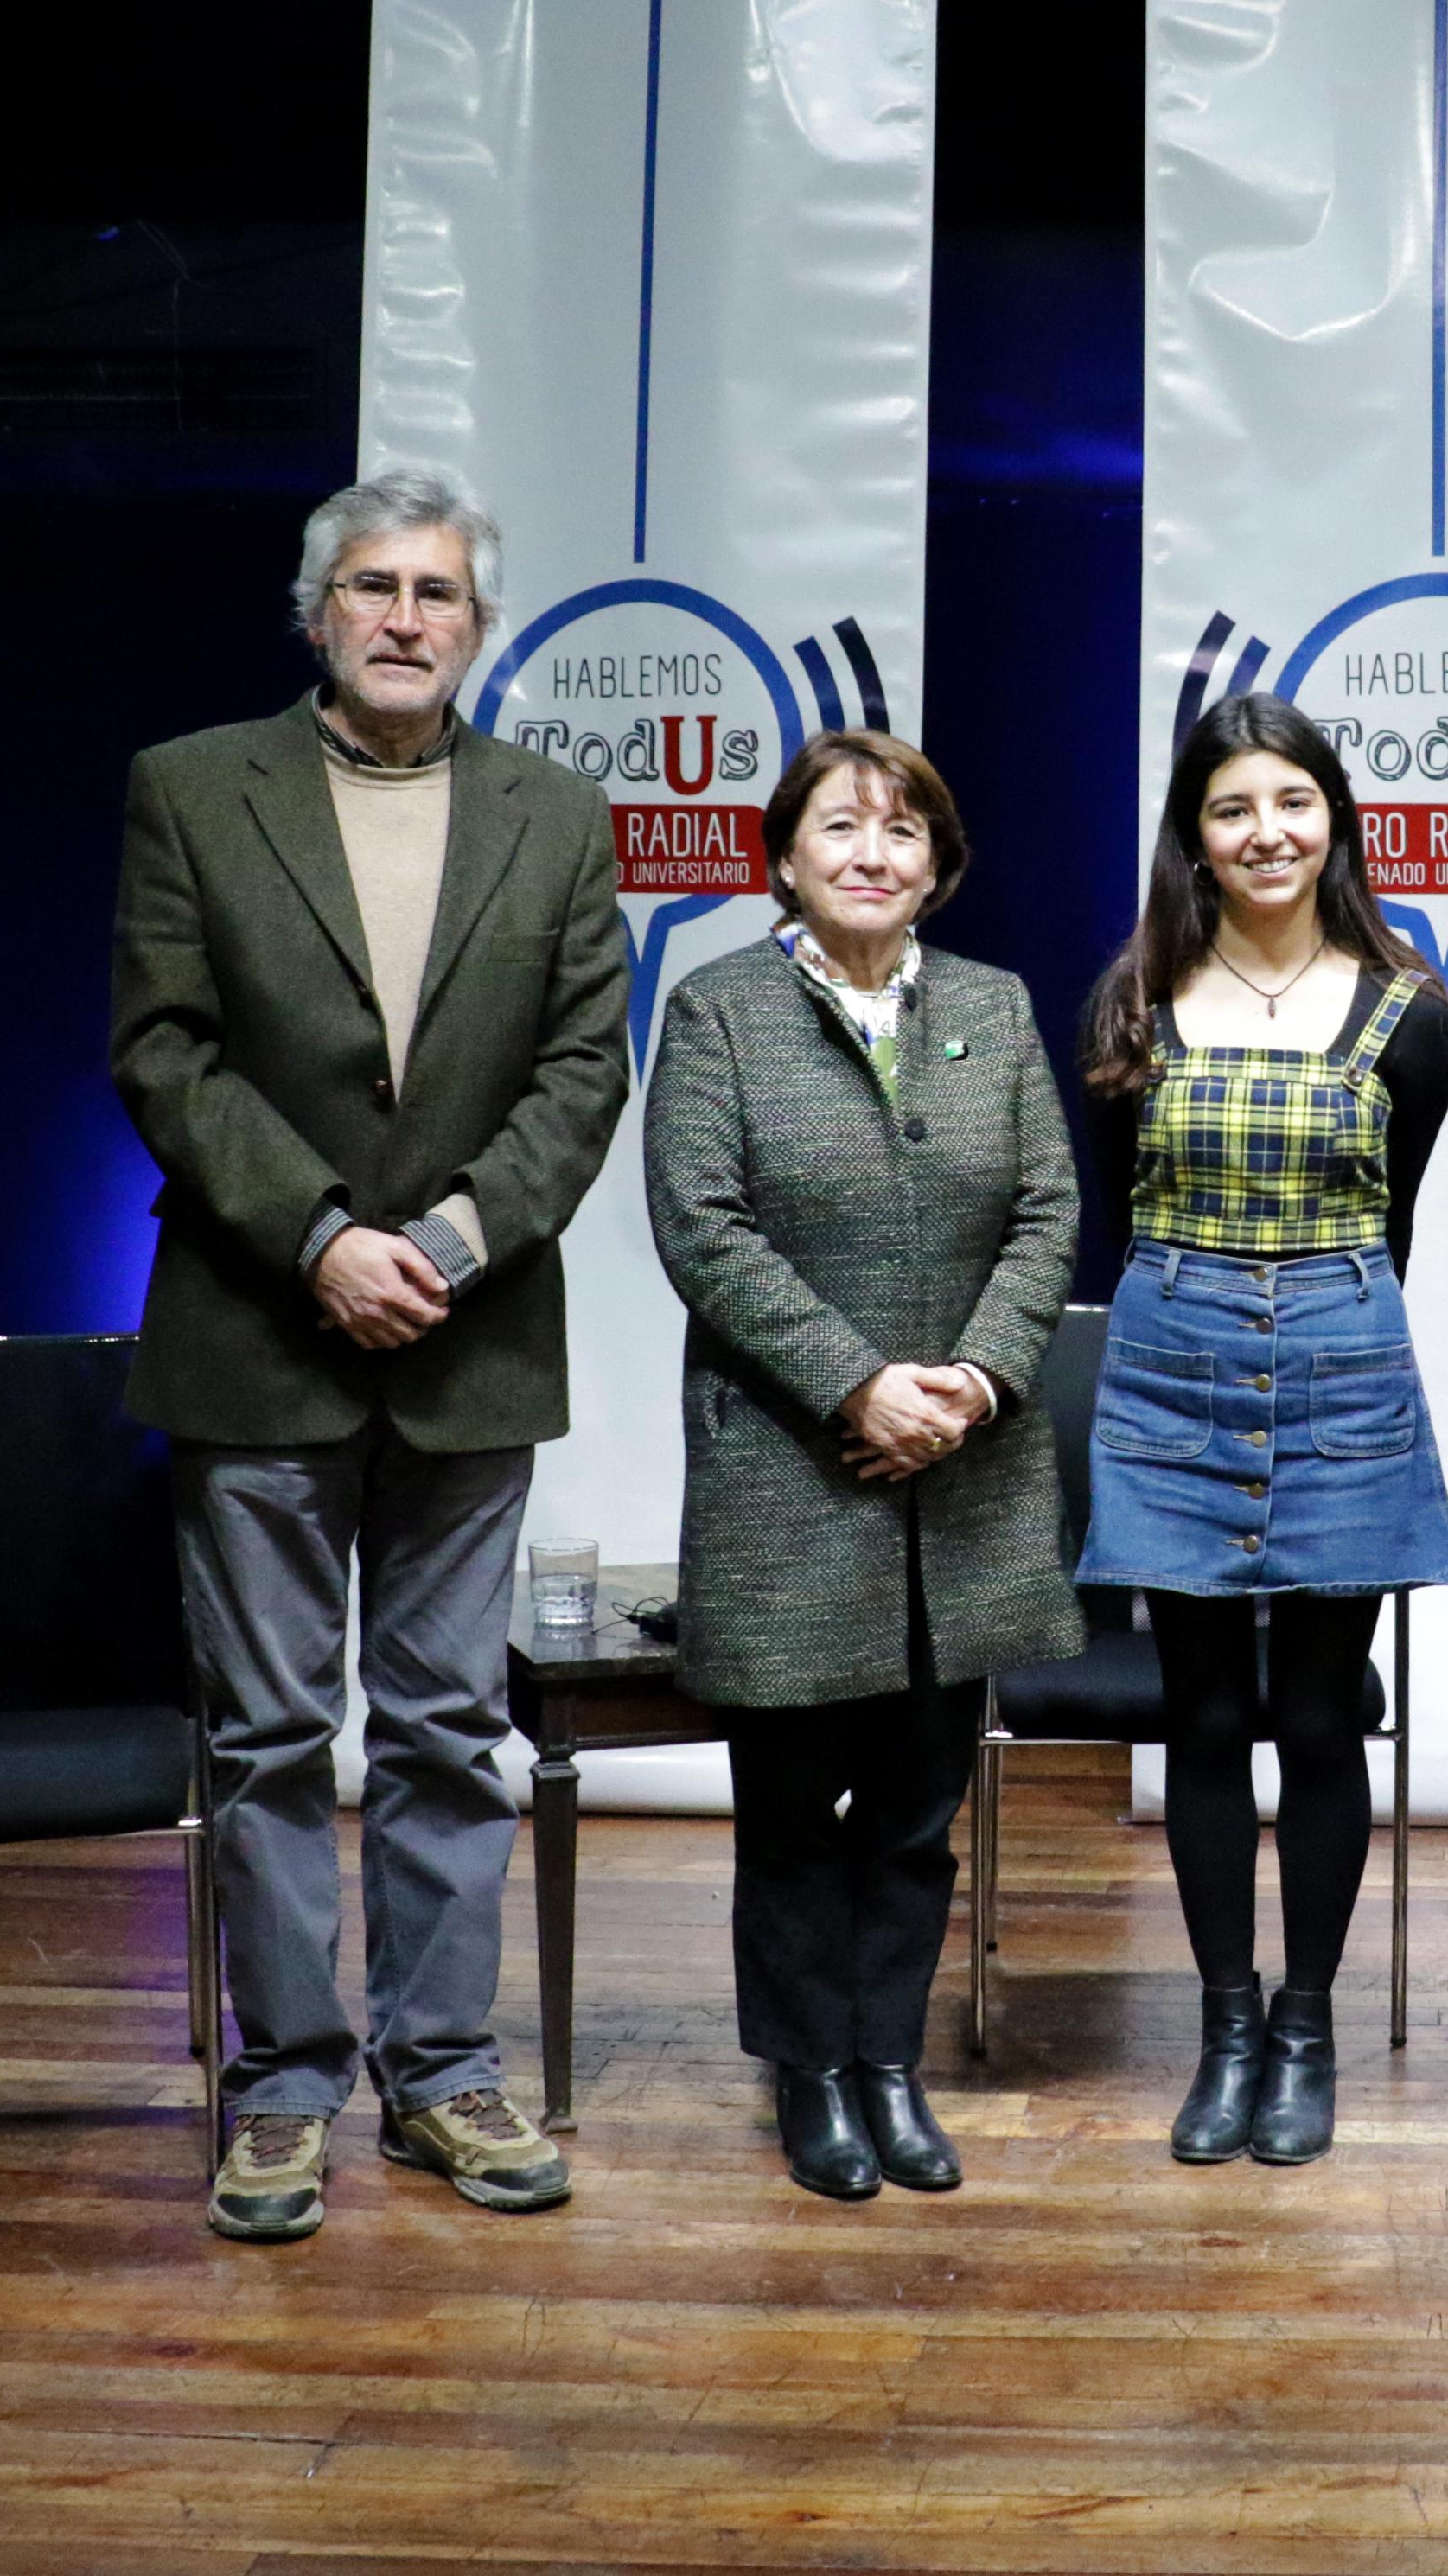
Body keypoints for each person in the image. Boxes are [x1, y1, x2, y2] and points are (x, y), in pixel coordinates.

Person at [110, 466, 630, 2242]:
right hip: (261, 1329)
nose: (406, 618)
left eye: (440, 595)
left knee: (441, 1727)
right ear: (317, 611)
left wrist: (453, 1244)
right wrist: (324, 1237)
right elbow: (164, 1053)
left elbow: (584, 1070)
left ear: (479, 627)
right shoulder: (190, 787)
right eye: (373, 588)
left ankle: (443, 2073)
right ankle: (284, 2088)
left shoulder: (561, 815)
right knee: (264, 1738)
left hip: (472, 1341)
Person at [644, 730, 1081, 2203]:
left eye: (904, 832)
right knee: (789, 1808)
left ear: (937, 866)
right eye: (841, 827)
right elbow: (704, 1228)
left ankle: (889, 2061)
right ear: (785, 856)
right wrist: (857, 1381)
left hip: (962, 1472)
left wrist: (975, 1375)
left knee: (913, 1805)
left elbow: (1045, 1212)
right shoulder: (717, 1012)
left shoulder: (996, 1006)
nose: (873, 853)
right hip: (793, 1468)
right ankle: (810, 2073)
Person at [1075, 692, 1448, 2169]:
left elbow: (1401, 1214)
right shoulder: (1133, 999)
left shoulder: (1410, 1009)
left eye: (1291, 802)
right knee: (1204, 1715)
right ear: (1197, 838)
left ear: (1334, 817)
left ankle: (1307, 2028)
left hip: (1346, 1354)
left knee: (1316, 1709)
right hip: (1170, 1354)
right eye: (1232, 809)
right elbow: (1118, 1205)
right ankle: (1224, 2026)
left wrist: (1311, 1318)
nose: (1266, 832)